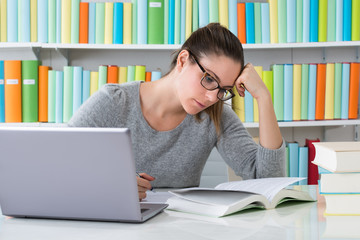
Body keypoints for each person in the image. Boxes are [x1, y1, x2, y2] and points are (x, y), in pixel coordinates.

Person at [67, 23, 285, 200]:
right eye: (209, 78)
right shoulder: (114, 103)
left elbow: (268, 179)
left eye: (223, 90)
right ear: (182, 61)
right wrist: (109, 183)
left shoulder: (216, 114)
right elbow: (57, 165)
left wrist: (263, 98)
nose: (212, 97)